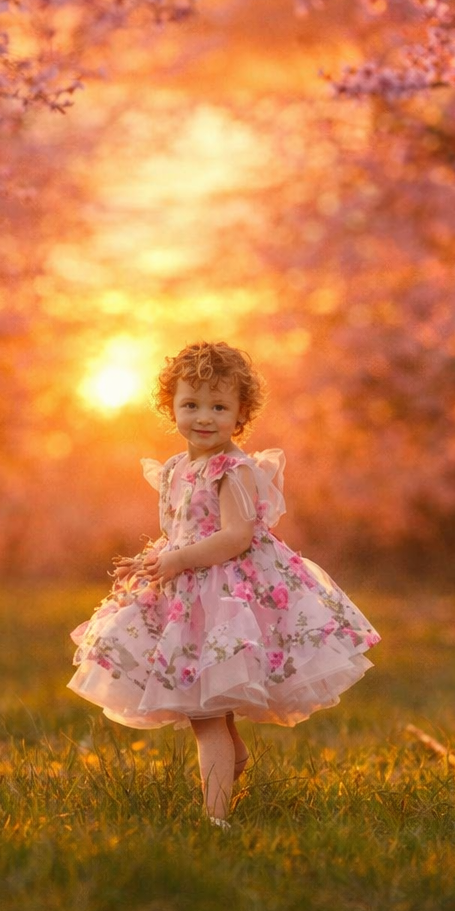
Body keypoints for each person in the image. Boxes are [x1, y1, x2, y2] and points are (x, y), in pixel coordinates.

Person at [68, 340, 380, 828]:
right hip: (188, 592)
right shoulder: (174, 468)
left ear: (241, 415)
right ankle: (231, 773)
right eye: (190, 405)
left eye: (219, 406)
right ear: (170, 408)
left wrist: (177, 559)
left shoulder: (235, 470)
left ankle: (216, 817)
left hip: (229, 595)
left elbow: (236, 537)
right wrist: (151, 560)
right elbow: (183, 531)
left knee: (206, 713)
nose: (203, 417)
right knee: (207, 709)